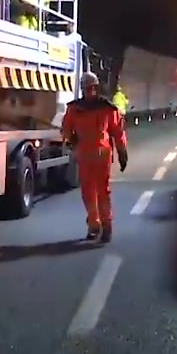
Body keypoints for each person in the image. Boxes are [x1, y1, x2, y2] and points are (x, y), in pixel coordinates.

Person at [62, 72, 128, 242]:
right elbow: (118, 132)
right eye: (89, 88)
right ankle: (103, 226)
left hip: (87, 153)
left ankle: (96, 225)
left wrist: (71, 140)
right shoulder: (107, 108)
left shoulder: (75, 108)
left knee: (90, 192)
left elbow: (66, 130)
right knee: (100, 191)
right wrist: (122, 152)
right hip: (100, 153)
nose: (89, 91)